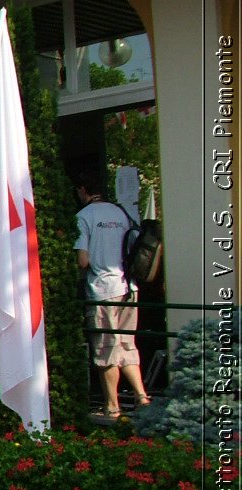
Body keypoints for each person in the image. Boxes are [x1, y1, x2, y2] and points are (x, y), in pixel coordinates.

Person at [73, 168, 150, 417]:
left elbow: (83, 260)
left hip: (104, 289)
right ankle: (141, 397)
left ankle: (112, 406)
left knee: (106, 349)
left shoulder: (84, 216)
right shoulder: (120, 213)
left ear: (83, 190)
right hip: (129, 288)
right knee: (127, 345)